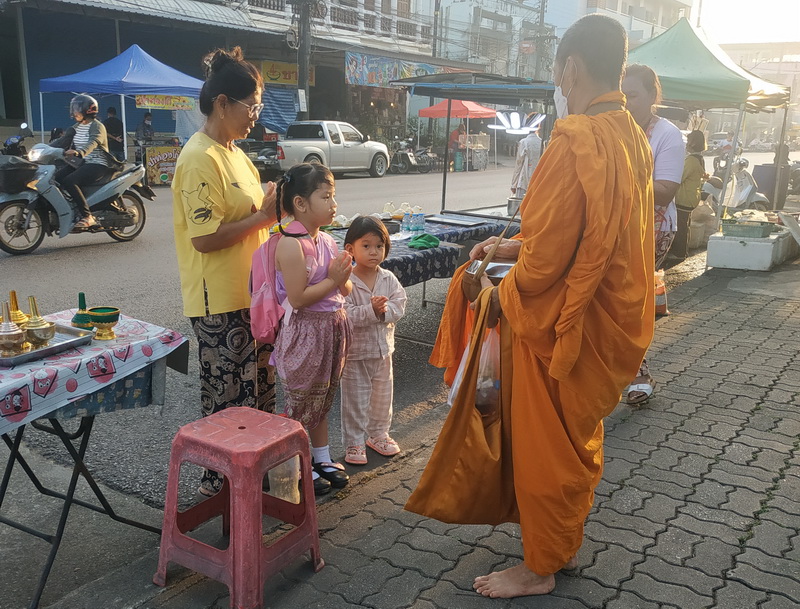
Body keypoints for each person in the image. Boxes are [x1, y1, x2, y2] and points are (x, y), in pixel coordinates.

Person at [413, 14, 655, 598]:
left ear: (571, 67)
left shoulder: (576, 139)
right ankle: (558, 543)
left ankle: (539, 567)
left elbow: (547, 262)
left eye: (557, 71)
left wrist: (499, 292)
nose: (558, 82)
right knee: (574, 439)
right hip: (606, 317)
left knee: (546, 445)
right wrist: (512, 246)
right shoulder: (632, 134)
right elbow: (591, 235)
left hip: (560, 324)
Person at [171, 47, 277, 497]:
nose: (255, 116)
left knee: (259, 397)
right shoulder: (200, 157)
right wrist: (263, 216)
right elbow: (205, 237)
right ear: (221, 103)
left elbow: (254, 217)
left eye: (258, 107)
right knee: (229, 402)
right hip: (219, 301)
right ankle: (222, 490)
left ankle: (253, 483)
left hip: (254, 297)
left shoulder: (237, 154)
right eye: (251, 107)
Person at [272, 163, 353, 496]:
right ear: (301, 203)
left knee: (323, 397)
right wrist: (334, 279)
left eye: (333, 196)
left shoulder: (328, 240)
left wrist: (343, 277)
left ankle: (321, 458)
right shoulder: (290, 244)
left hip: (332, 328)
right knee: (301, 400)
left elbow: (345, 289)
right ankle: (294, 463)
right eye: (326, 196)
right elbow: (298, 298)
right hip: (305, 333)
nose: (334, 204)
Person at [622, 64, 685, 404]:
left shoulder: (666, 134)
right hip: (616, 227)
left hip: (653, 229)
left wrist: (616, 178)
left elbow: (665, 191)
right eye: (621, 95)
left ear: (652, 96)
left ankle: (638, 372)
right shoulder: (615, 128)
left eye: (632, 95)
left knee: (630, 300)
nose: (625, 102)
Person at [340, 216, 407, 466]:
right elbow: (343, 313)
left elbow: (400, 304)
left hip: (383, 351)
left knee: (382, 397)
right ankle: (354, 441)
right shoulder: (345, 280)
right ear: (351, 249)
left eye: (379, 246)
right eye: (366, 246)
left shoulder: (388, 278)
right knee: (355, 400)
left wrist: (384, 310)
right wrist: (371, 311)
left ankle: (378, 434)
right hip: (356, 354)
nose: (373, 252)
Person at [51, 94, 119, 229]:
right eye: (74, 108)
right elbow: (62, 141)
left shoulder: (97, 126)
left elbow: (93, 142)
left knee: (70, 181)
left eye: (77, 108)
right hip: (82, 163)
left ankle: (88, 216)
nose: (74, 112)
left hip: (98, 164)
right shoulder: (76, 127)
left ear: (87, 110)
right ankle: (71, 206)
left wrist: (79, 152)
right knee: (55, 178)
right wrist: (43, 149)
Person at [671, 130, 706, 260]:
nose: (686, 144)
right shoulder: (699, 159)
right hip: (691, 197)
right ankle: (682, 251)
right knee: (684, 225)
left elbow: (679, 177)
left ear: (693, 143)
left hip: (684, 198)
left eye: (688, 141)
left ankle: (679, 254)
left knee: (681, 227)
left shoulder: (691, 160)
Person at [510, 121, 542, 199]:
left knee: (521, 204)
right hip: (538, 182)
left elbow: (519, 164)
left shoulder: (524, 142)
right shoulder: (541, 142)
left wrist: (513, 184)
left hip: (524, 182)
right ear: (538, 127)